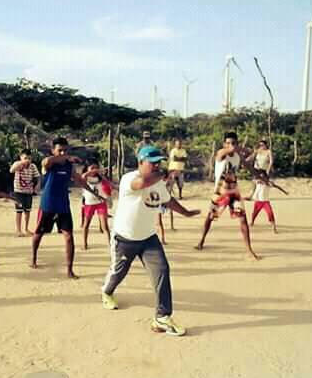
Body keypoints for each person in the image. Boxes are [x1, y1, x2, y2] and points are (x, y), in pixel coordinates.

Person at [101, 145, 200, 336]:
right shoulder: (129, 178)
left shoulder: (158, 183)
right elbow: (142, 183)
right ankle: (107, 291)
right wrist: (163, 173)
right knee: (118, 273)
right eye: (152, 163)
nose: (156, 166)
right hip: (125, 239)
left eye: (158, 163)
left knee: (162, 271)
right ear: (140, 162)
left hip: (148, 239)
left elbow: (168, 200)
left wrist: (186, 213)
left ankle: (162, 317)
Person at [31, 137, 100, 278]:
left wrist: (95, 194)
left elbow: (79, 180)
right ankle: (33, 258)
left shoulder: (69, 166)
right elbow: (45, 162)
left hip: (63, 205)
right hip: (48, 205)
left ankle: (69, 270)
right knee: (39, 233)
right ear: (53, 151)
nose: (63, 153)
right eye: (60, 150)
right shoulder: (49, 164)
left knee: (68, 237)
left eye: (65, 150)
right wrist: (66, 157)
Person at [195, 132, 260, 260]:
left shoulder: (237, 156)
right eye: (228, 143)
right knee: (210, 217)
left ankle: (249, 250)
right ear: (224, 144)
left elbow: (249, 166)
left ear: (237, 143)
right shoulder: (220, 153)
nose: (231, 145)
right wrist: (239, 148)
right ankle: (201, 241)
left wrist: (259, 176)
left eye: (233, 143)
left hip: (234, 192)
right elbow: (230, 151)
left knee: (243, 219)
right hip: (220, 191)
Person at [81, 159, 112, 250]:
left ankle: (110, 244)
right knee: (86, 225)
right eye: (92, 168)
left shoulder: (100, 178)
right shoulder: (85, 177)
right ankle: (85, 244)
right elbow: (83, 176)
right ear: (87, 168)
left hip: (100, 203)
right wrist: (93, 171)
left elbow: (109, 184)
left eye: (96, 167)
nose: (94, 170)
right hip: (89, 204)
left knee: (105, 226)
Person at [9, 150, 41, 236]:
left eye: (29, 158)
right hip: (18, 192)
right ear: (21, 158)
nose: (27, 160)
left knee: (27, 211)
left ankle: (26, 229)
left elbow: (38, 177)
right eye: (25, 158)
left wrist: (37, 185)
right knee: (19, 211)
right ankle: (18, 230)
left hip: (28, 192)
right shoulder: (17, 164)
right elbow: (11, 170)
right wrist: (20, 163)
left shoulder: (33, 166)